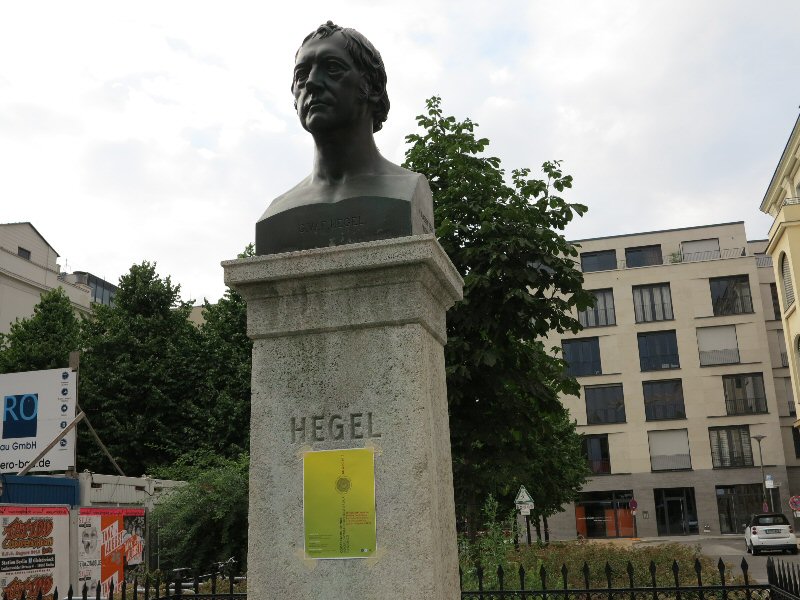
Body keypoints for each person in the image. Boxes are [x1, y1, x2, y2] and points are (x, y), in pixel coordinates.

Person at [255, 22, 433, 254]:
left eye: (332, 68)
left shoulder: (407, 190)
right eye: (302, 74)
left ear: (373, 87)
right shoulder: (278, 211)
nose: (311, 82)